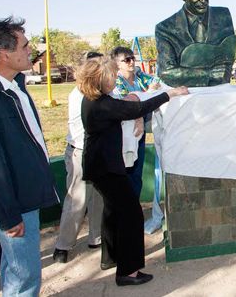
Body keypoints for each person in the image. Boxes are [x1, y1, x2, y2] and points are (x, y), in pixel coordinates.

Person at [0, 17, 59, 296]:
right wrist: (7, 216)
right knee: (24, 275)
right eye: (25, 46)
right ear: (5, 53)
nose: (32, 50)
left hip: (23, 196)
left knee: (17, 266)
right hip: (12, 203)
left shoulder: (12, 85)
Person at [77, 56, 188, 286]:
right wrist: (170, 94)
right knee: (131, 214)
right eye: (110, 76)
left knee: (112, 211)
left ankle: (111, 258)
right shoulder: (102, 104)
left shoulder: (95, 99)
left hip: (100, 166)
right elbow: (136, 108)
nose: (114, 78)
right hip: (106, 167)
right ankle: (128, 271)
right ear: (99, 79)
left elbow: (128, 103)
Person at [52, 52, 105, 264]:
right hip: (80, 153)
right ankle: (62, 245)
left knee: (98, 198)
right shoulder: (81, 95)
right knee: (78, 199)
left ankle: (96, 237)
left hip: (96, 152)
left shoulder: (98, 92)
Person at [155, 0, 236, 87]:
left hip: (220, 91)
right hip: (187, 95)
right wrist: (209, 74)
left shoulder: (223, 16)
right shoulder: (165, 28)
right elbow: (166, 72)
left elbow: (227, 59)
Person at [111, 46, 160, 197]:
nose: (131, 62)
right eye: (127, 60)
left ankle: (134, 209)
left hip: (139, 132)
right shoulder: (116, 81)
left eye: (132, 58)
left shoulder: (139, 76)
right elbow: (127, 104)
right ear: (117, 64)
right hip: (123, 134)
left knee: (136, 172)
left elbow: (157, 81)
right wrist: (148, 93)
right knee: (125, 171)